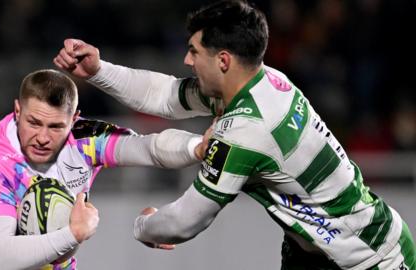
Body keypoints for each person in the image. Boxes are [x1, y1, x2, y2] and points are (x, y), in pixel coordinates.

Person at [53, 1, 416, 269]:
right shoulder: (260, 81)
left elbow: (185, 221)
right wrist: (98, 70)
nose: (187, 61)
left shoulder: (245, 130)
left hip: (371, 257)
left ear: (223, 60)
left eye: (194, 51)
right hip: (317, 252)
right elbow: (162, 96)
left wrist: (144, 226)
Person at [0, 69, 209, 269]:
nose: (42, 137)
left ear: (74, 118)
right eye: (34, 123)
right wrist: (75, 233)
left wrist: (198, 147)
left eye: (56, 126)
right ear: (17, 111)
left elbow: (148, 148)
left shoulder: (85, 140)